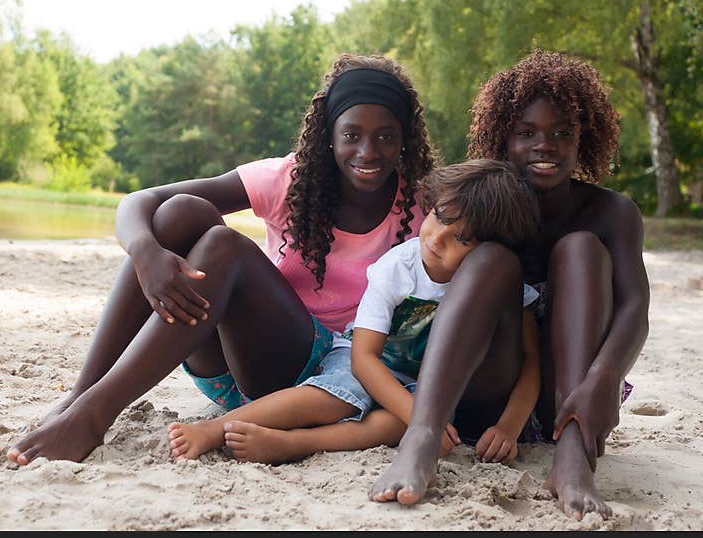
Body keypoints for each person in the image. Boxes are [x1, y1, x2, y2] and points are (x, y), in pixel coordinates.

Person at [5, 53, 436, 466]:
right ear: (329, 134)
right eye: (351, 135)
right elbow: (141, 201)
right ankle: (81, 395)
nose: (368, 151)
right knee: (180, 213)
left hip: (319, 384)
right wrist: (146, 254)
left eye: (385, 136)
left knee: (224, 248)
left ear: (404, 139)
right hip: (232, 365)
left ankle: (93, 417)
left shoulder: (422, 204)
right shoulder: (290, 180)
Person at [370, 50, 649, 522]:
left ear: (586, 140)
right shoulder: (485, 203)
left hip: (571, 397)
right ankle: (420, 437)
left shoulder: (613, 213)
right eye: (526, 133)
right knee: (493, 257)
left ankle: (573, 458)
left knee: (581, 248)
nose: (546, 145)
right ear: (503, 137)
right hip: (492, 390)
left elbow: (636, 308)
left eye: (563, 133)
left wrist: (604, 378)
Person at [168, 159, 543, 466]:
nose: (436, 238)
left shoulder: (494, 287)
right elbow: (364, 358)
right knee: (335, 395)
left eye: (462, 239)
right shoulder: (398, 268)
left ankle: (294, 445)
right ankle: (216, 428)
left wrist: (509, 427)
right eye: (441, 217)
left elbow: (529, 363)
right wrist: (419, 418)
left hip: (427, 388)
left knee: (388, 426)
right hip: (364, 360)